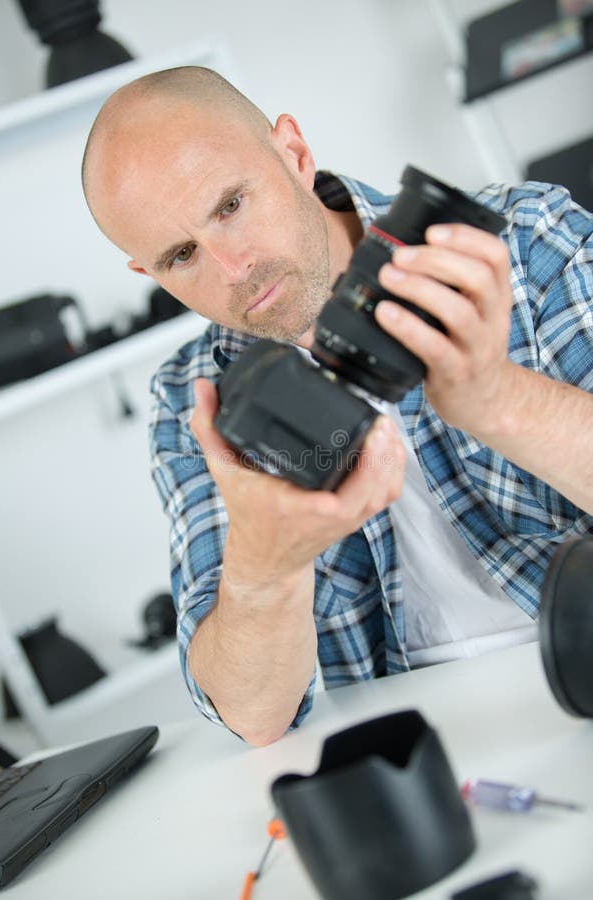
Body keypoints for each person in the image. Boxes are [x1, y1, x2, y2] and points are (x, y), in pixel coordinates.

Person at [81, 66, 593, 746]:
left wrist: (495, 397)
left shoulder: (520, 242)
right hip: (422, 743)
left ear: (293, 153)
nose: (233, 270)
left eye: (231, 206)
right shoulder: (193, 399)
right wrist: (264, 568)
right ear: (149, 276)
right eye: (181, 255)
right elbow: (251, 714)